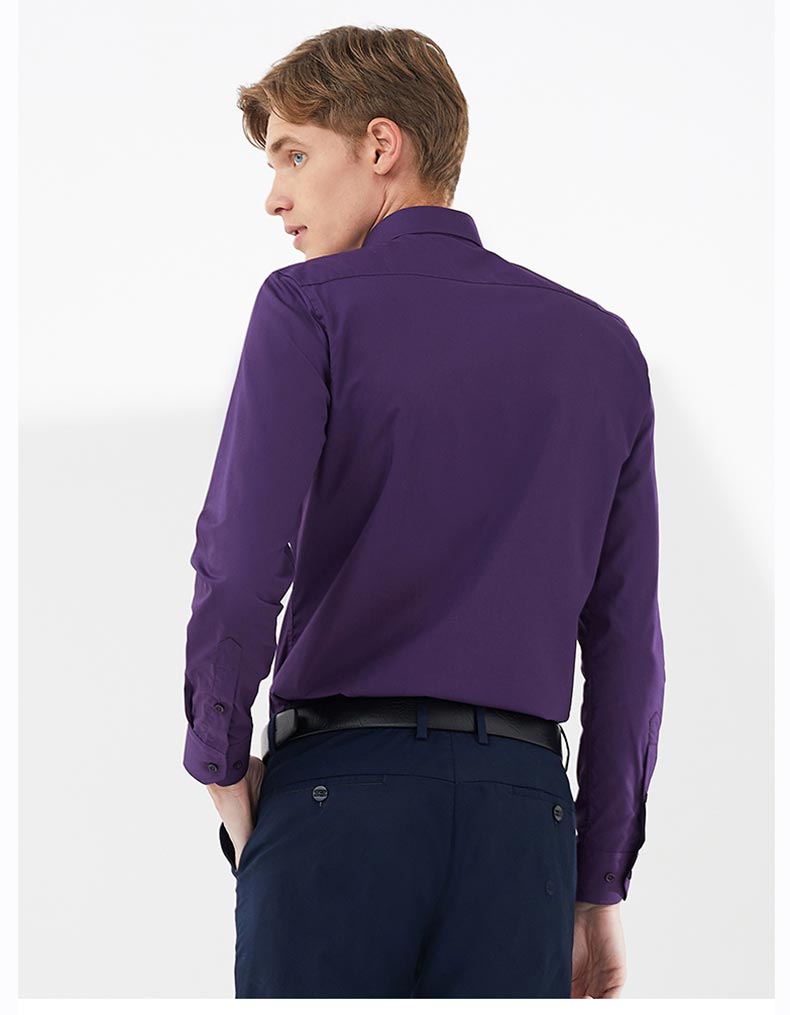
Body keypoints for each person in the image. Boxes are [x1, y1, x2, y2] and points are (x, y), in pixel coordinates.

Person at [181, 24, 666, 1000]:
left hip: (336, 797)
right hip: (523, 822)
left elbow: (239, 563)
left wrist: (222, 767)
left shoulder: (308, 307)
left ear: (381, 145)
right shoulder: (602, 348)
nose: (274, 196)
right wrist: (596, 882)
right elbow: (626, 644)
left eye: (293, 155)